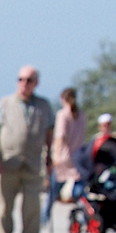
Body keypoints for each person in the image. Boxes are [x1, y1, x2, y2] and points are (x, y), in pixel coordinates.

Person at [0, 65, 52, 233]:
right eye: (21, 79)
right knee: (3, 207)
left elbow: (49, 131)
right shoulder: (5, 103)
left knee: (32, 206)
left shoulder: (44, 105)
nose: (24, 84)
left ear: (36, 83)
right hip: (8, 162)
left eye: (29, 80)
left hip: (33, 163)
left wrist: (50, 156)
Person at [46, 87, 87, 223]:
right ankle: (86, 217)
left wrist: (55, 155)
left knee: (53, 191)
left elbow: (60, 137)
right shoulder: (82, 115)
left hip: (64, 156)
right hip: (79, 156)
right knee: (79, 191)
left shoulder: (63, 115)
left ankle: (44, 218)